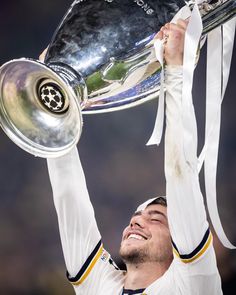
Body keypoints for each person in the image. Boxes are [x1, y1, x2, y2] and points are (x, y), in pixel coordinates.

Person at [45, 19, 223, 294]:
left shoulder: (193, 282)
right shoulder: (102, 285)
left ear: (180, 242)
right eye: (139, 216)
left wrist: (176, 70)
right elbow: (70, 197)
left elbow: (182, 177)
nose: (135, 222)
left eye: (155, 218)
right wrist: (53, 101)